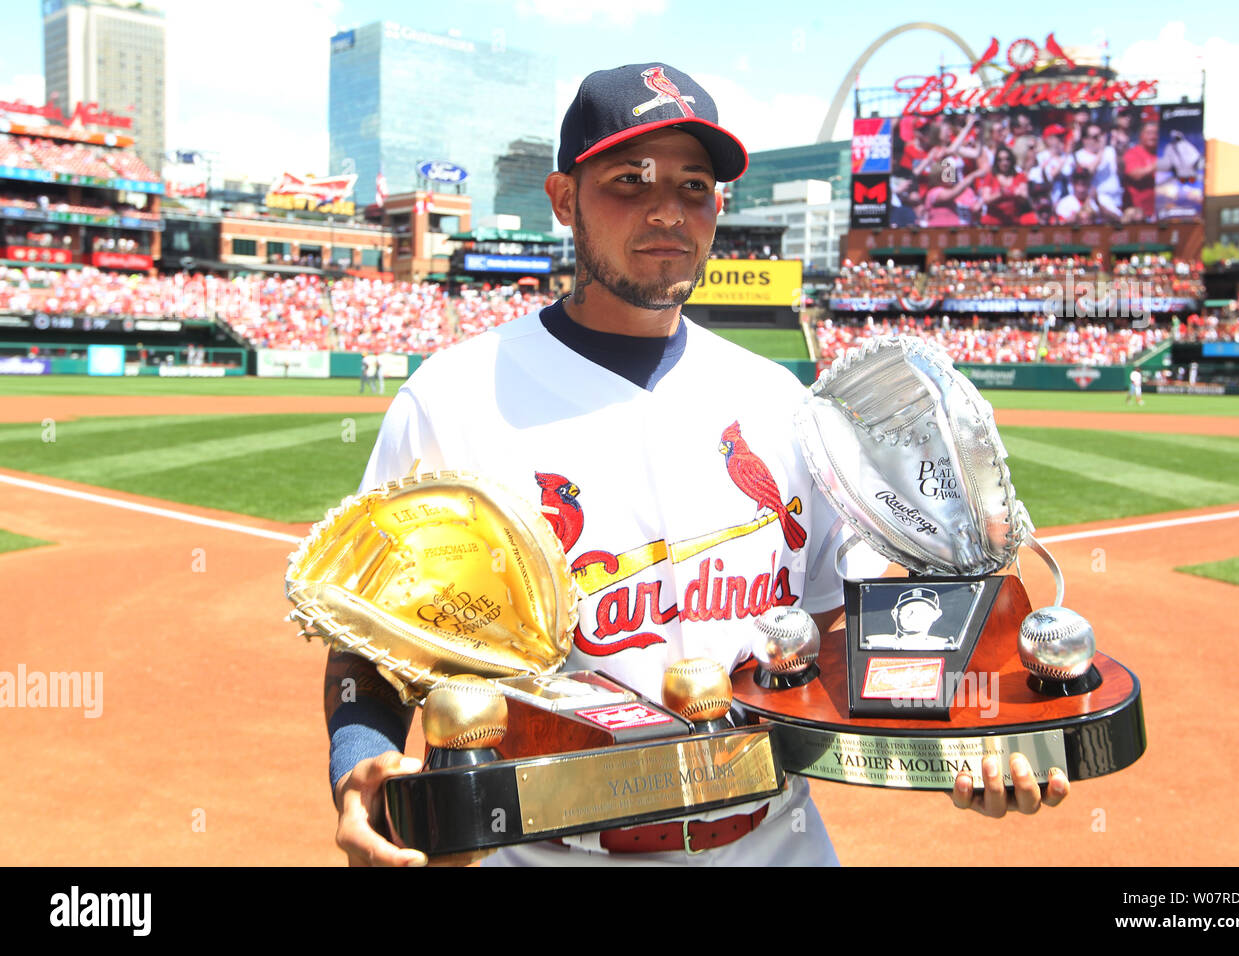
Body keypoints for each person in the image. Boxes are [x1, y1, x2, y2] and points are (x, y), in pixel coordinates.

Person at [326, 62, 1070, 868]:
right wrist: (353, 764)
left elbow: (830, 624)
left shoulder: (778, 399)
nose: (666, 211)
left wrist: (979, 722)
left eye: (694, 187)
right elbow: (374, 640)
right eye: (629, 181)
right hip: (546, 849)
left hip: (775, 839)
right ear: (564, 199)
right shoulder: (455, 399)